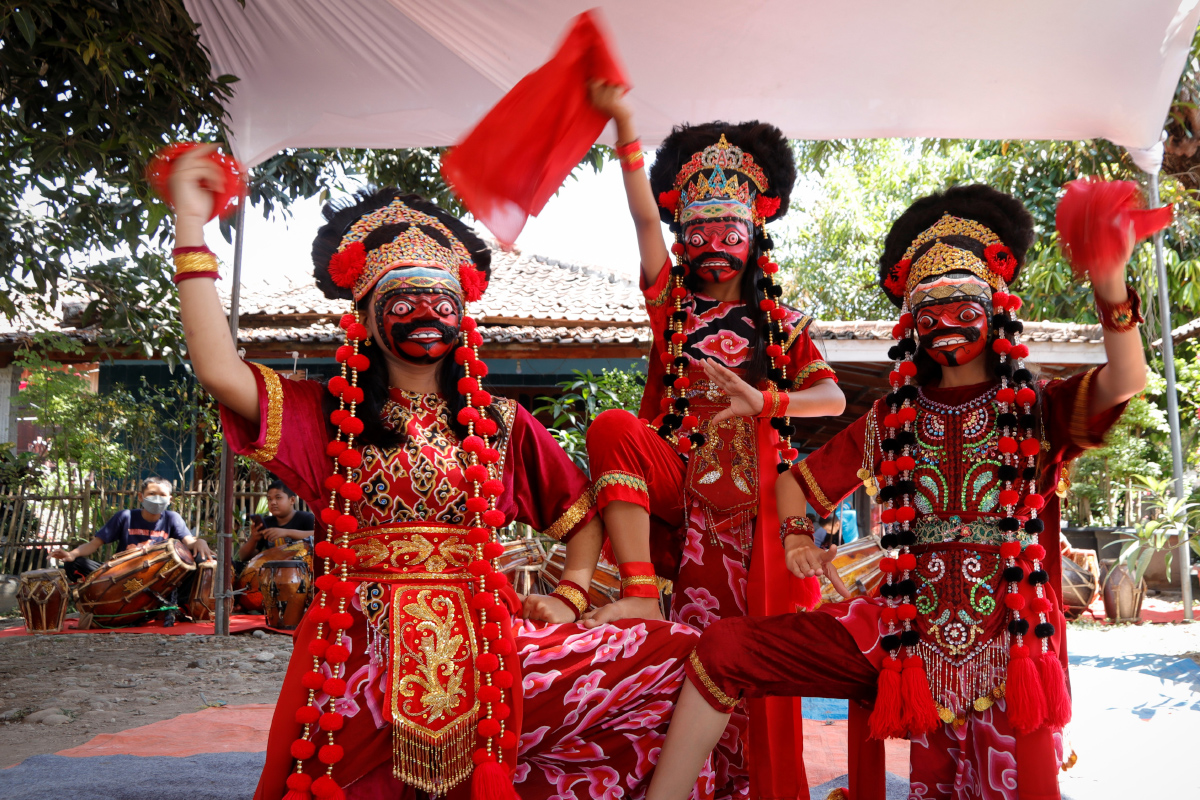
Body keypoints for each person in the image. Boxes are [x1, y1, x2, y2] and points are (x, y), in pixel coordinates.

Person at [166, 146, 704, 800]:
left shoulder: (499, 424)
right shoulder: (326, 415)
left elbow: (582, 516)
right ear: (365, 316)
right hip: (356, 647)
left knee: (673, 658)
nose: (427, 314)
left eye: (441, 301)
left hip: (479, 643)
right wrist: (190, 225)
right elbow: (221, 371)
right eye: (405, 301)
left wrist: (569, 596)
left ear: (462, 315)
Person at [643, 184, 1145, 800]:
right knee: (722, 648)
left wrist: (1111, 280)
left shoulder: (1036, 407)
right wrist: (798, 536)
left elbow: (1126, 378)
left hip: (1009, 648)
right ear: (909, 324)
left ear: (995, 308)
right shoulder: (892, 418)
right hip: (898, 638)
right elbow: (794, 483)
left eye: (963, 307)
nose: (945, 326)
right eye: (927, 313)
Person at [581, 83, 846, 799]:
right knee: (698, 661)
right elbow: (641, 216)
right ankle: (638, 591)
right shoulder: (671, 304)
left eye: (728, 232)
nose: (712, 246)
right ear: (682, 237)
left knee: (761, 672)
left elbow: (835, 396)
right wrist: (626, 125)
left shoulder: (782, 325)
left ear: (755, 233)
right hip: (692, 504)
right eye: (696, 232)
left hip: (760, 516)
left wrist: (767, 399)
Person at [50, 476, 214, 626]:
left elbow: (189, 541)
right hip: (119, 578)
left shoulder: (172, 518)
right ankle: (99, 604)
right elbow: (94, 544)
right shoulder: (125, 517)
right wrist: (71, 554)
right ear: (141, 496)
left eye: (162, 495)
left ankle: (178, 607)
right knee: (74, 564)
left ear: (170, 499)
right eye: (151, 493)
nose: (157, 498)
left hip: (158, 582)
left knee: (198, 560)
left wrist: (200, 542)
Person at [236, 480, 315, 571]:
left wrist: (287, 532)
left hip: (303, 573)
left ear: (292, 500)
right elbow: (243, 557)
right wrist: (253, 539)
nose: (273, 502)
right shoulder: (267, 523)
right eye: (269, 499)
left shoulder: (306, 518)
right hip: (272, 575)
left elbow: (319, 537)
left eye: (278, 498)